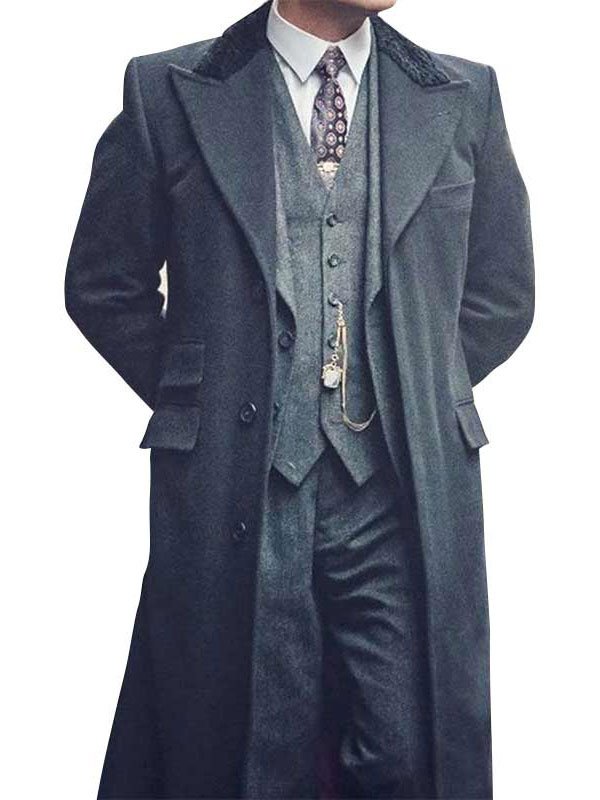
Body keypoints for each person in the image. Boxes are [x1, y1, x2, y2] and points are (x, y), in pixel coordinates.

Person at [64, 0, 535, 797]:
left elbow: (502, 294)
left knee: (408, 754)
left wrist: (415, 392)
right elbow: (104, 286)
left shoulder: (464, 96)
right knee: (250, 747)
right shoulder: (166, 90)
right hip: (237, 490)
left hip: (397, 494)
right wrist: (210, 400)